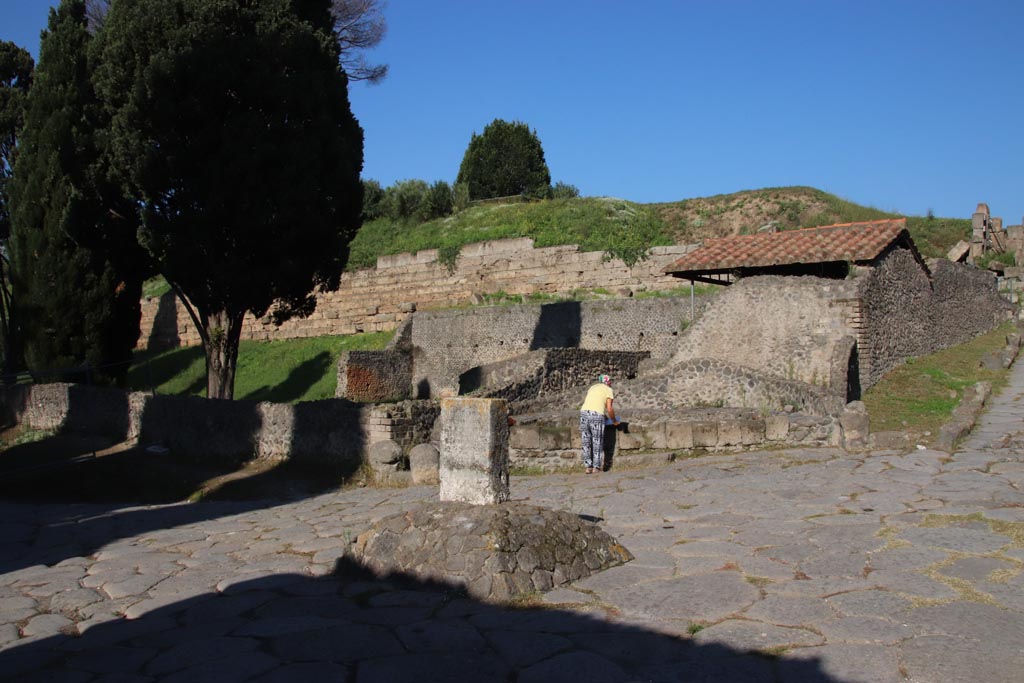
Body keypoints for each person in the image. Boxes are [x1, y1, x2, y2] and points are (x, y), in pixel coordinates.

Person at [579, 374, 619, 473]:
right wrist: (614, 421)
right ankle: (596, 467)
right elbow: (609, 409)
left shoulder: (593, 387)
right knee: (597, 440)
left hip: (584, 413)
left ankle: (588, 467)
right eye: (610, 381)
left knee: (586, 441)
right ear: (608, 382)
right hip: (596, 414)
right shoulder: (608, 390)